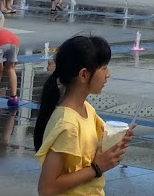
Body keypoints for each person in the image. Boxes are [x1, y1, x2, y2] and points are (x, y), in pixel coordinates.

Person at [35, 35, 132, 196]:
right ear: (84, 74)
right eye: (104, 68)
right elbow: (47, 188)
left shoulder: (87, 109)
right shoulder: (68, 124)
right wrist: (97, 168)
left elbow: (88, 153)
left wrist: (115, 140)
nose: (108, 74)